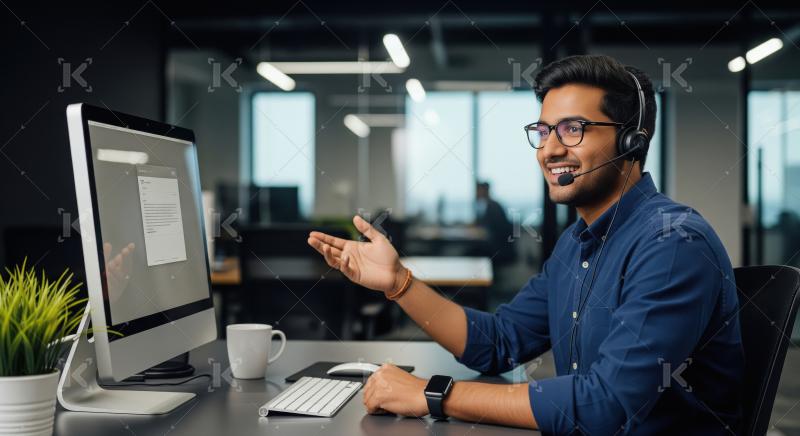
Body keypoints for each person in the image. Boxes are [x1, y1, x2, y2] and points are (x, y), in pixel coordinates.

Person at [307, 54, 743, 434]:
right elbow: (498, 342)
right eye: (543, 130)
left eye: (572, 129)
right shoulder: (576, 245)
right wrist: (399, 283)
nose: (549, 150)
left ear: (632, 141)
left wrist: (433, 394)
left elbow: (605, 404)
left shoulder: (672, 244)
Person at [474, 181, 516, 264]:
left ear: (484, 190)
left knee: (470, 254)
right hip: (497, 247)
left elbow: (487, 231)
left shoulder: (493, 207)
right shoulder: (492, 205)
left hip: (498, 249)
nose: (476, 193)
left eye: (478, 190)